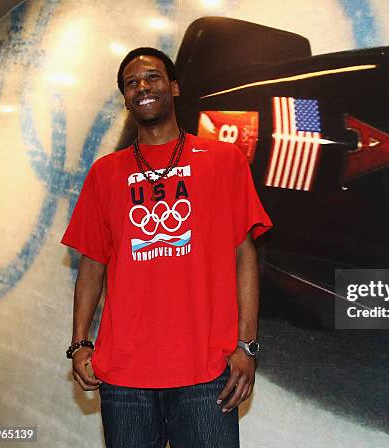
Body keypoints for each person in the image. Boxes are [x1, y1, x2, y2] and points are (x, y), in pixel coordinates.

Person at [61, 47, 272, 448]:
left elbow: (244, 254)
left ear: (173, 86)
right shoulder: (105, 174)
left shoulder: (223, 160)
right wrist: (80, 342)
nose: (142, 87)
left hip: (206, 372)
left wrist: (247, 345)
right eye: (131, 83)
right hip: (123, 375)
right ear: (125, 98)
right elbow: (92, 263)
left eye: (152, 77)